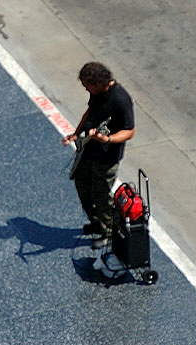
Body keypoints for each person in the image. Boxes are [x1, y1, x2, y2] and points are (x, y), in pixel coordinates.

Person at [63, 62, 135, 249]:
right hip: (90, 150)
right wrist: (76, 133)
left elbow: (129, 131)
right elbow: (89, 113)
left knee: (102, 194)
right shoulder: (97, 94)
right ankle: (97, 222)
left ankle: (109, 232)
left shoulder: (121, 99)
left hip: (107, 156)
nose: (86, 88)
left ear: (98, 82)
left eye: (87, 85)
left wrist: (108, 139)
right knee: (83, 185)